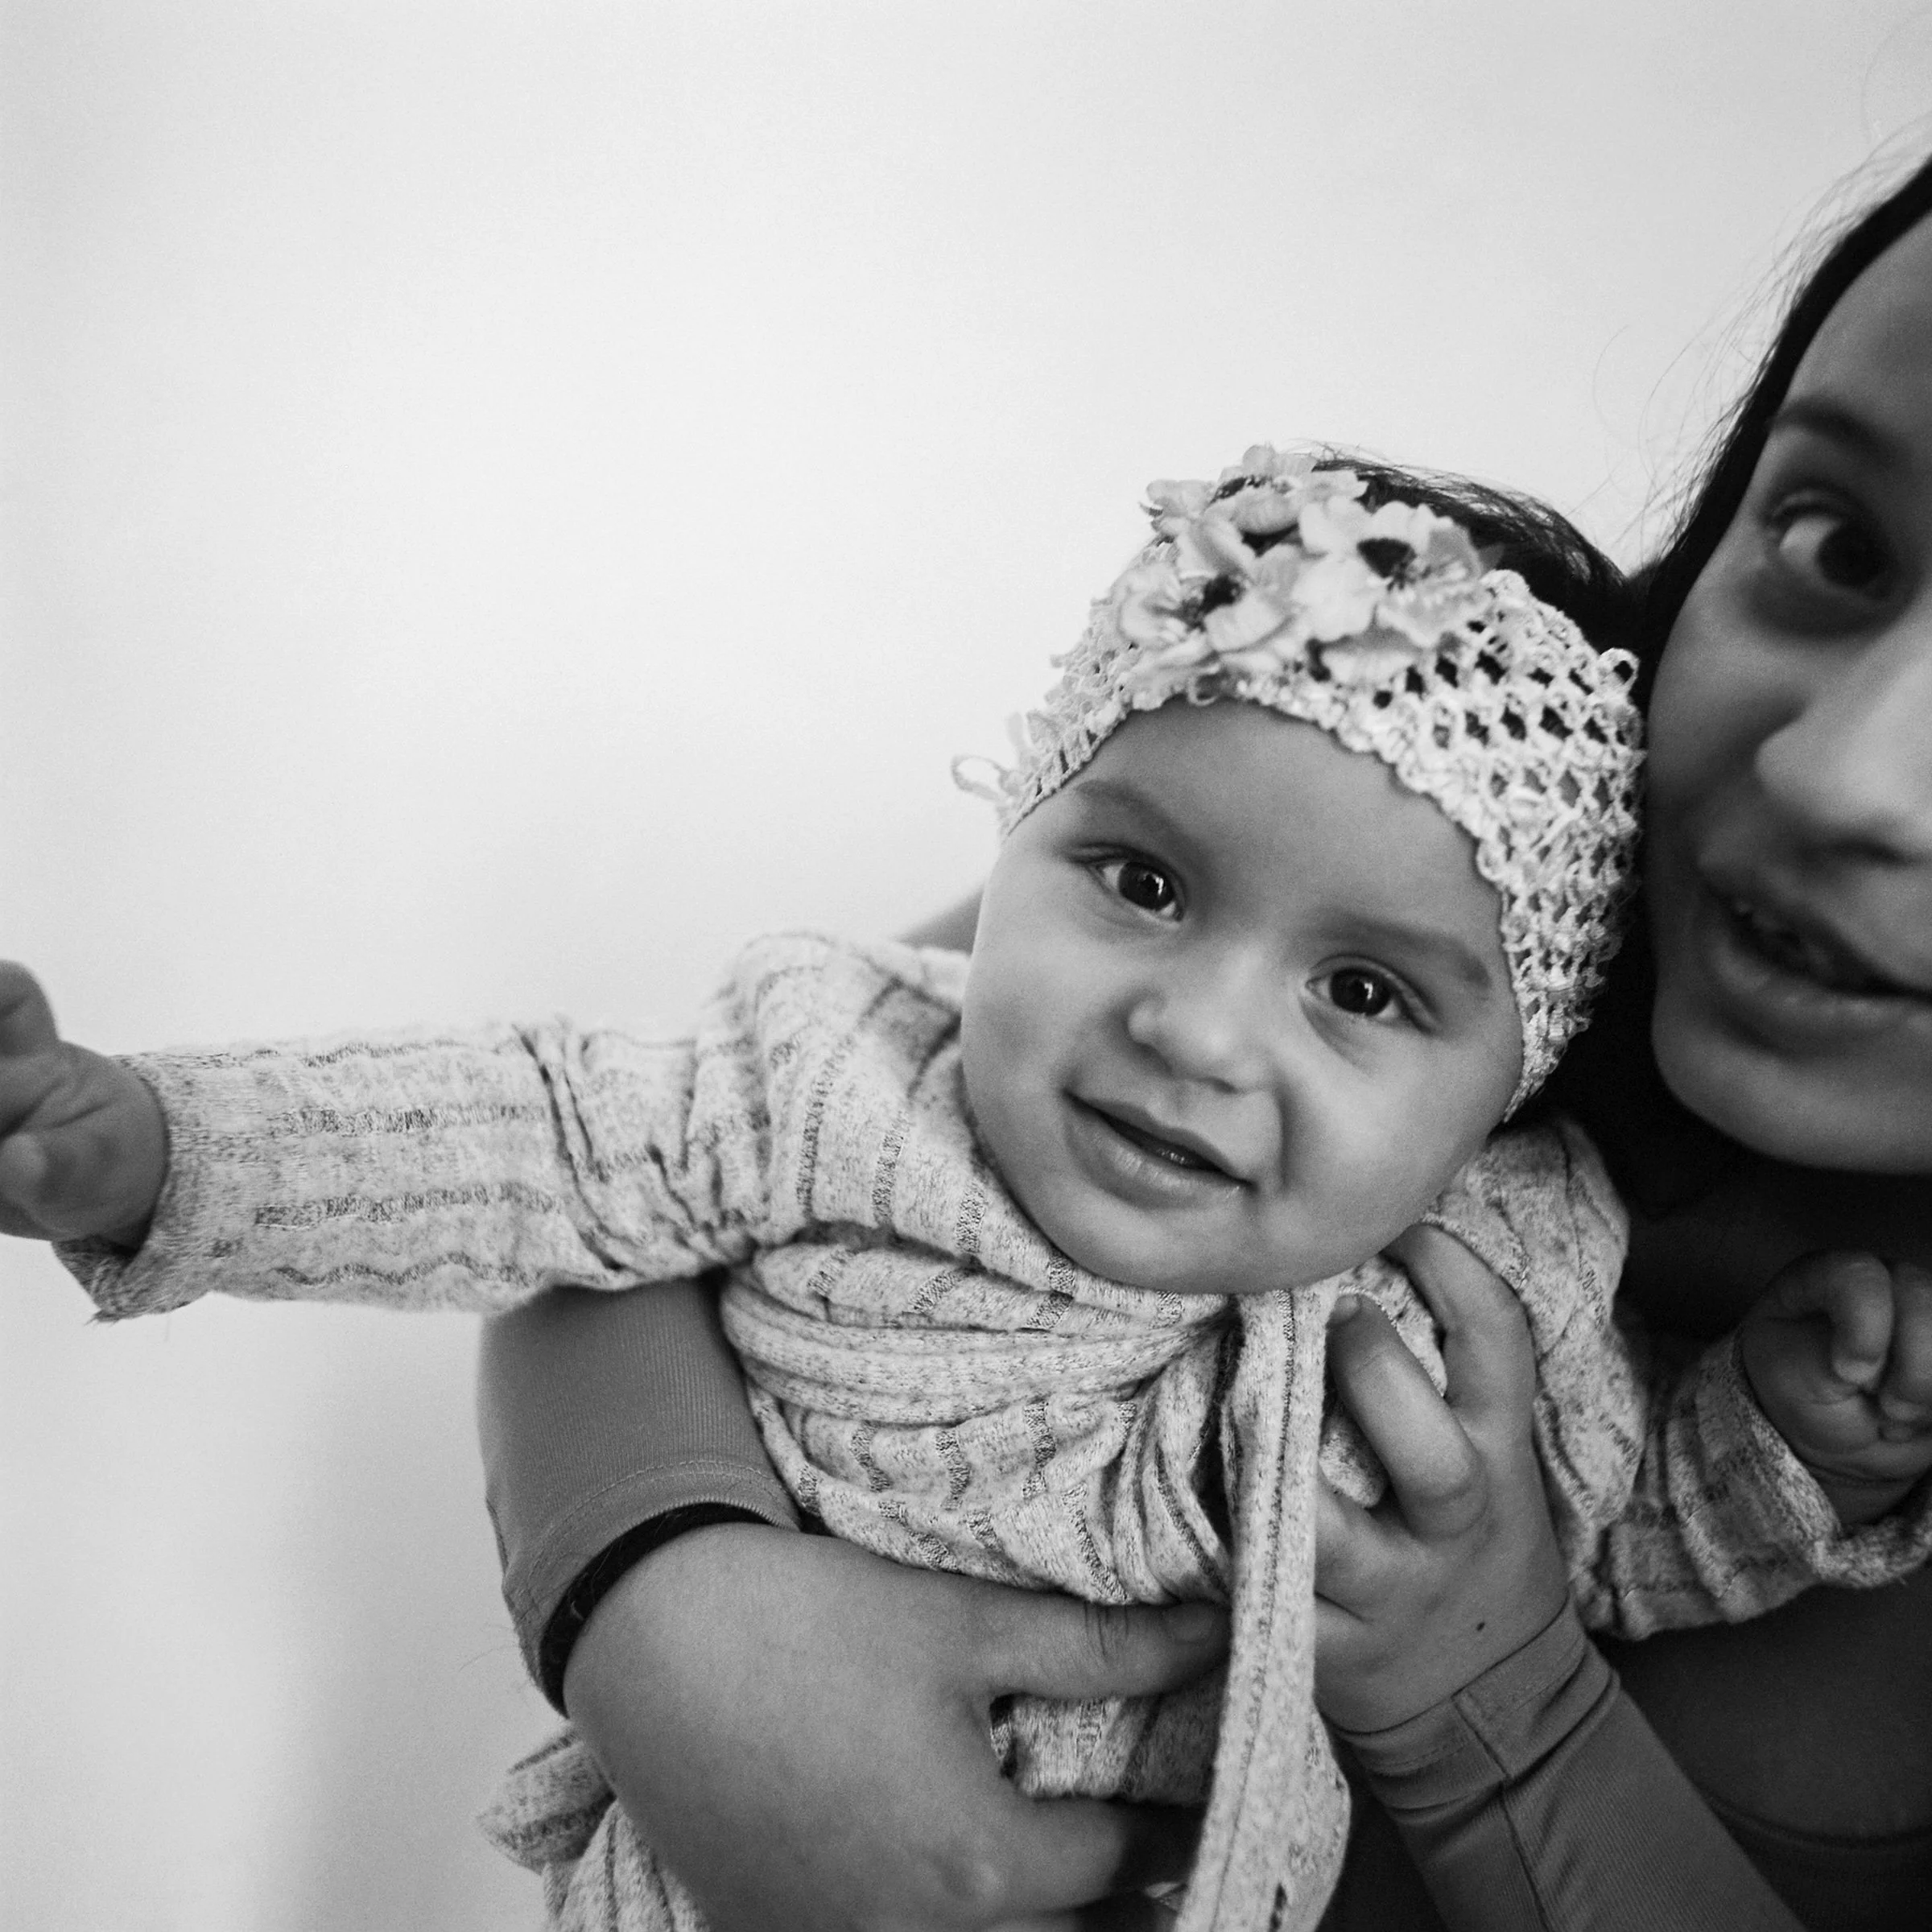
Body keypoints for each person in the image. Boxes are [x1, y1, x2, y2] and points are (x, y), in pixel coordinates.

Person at [3, 444, 1912, 1927]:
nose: (1195, 1033)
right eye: (1142, 885)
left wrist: (1772, 1452)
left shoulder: (1498, 1276)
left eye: (1360, 993)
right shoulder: (853, 1070)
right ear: (1018, 831)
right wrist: (153, 1147)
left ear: (1504, 1089)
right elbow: (529, 1134)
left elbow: (1605, 1538)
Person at [474, 151, 1932, 1932]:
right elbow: (677, 1145)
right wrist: (665, 1601)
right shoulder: (1492, 807)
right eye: (1840, 546)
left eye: (1369, 1000)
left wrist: (1502, 1709)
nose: (1837, 772)